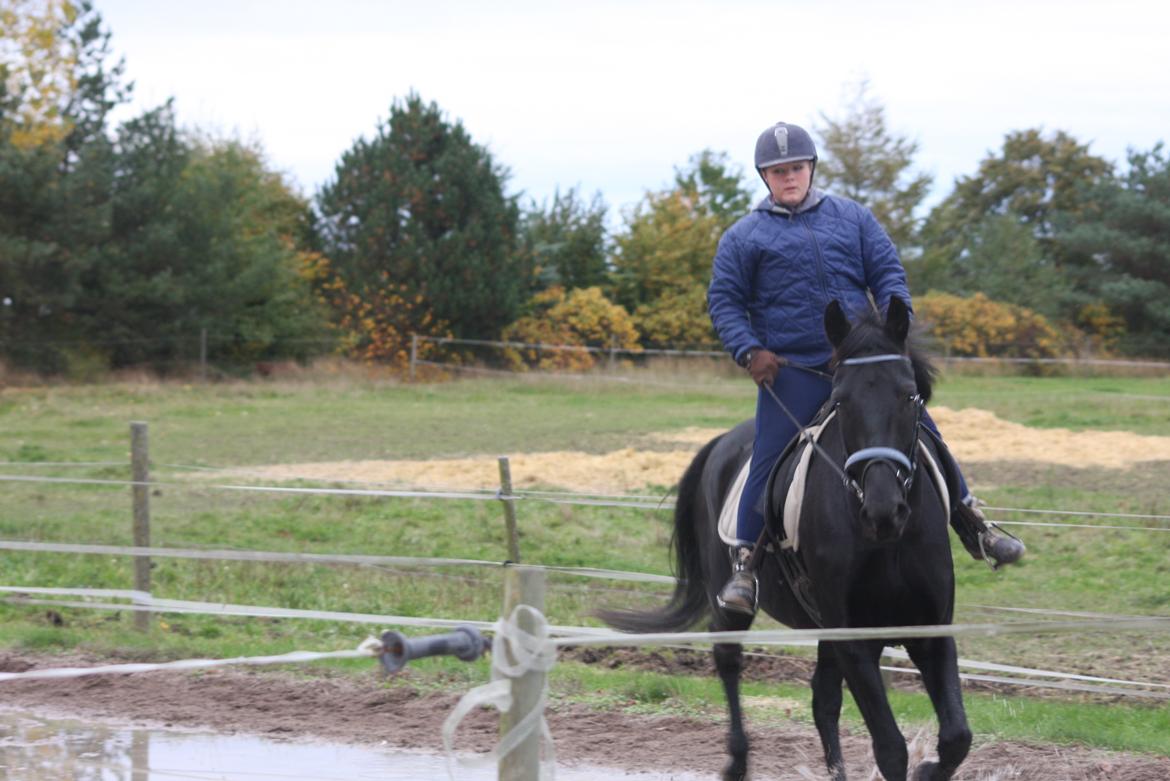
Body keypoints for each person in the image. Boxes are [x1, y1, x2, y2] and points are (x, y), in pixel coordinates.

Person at [707, 121, 1025, 616]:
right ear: (764, 177)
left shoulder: (853, 218)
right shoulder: (744, 237)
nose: (788, 177)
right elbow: (725, 301)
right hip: (791, 368)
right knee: (768, 456)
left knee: (924, 430)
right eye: (777, 171)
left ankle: (973, 523)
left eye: (795, 168)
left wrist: (895, 326)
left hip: (860, 361)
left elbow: (888, 273)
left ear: (810, 169)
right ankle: (746, 563)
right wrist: (749, 350)